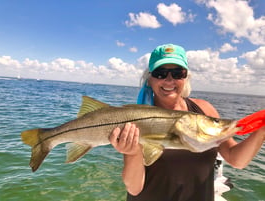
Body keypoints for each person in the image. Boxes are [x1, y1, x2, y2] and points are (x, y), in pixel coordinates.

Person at [109, 44, 265, 201]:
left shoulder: (204, 109)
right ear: (149, 79)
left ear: (186, 78)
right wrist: (132, 153)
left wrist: (262, 130)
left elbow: (236, 159)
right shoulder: (137, 120)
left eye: (178, 73)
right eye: (160, 73)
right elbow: (134, 188)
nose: (169, 80)